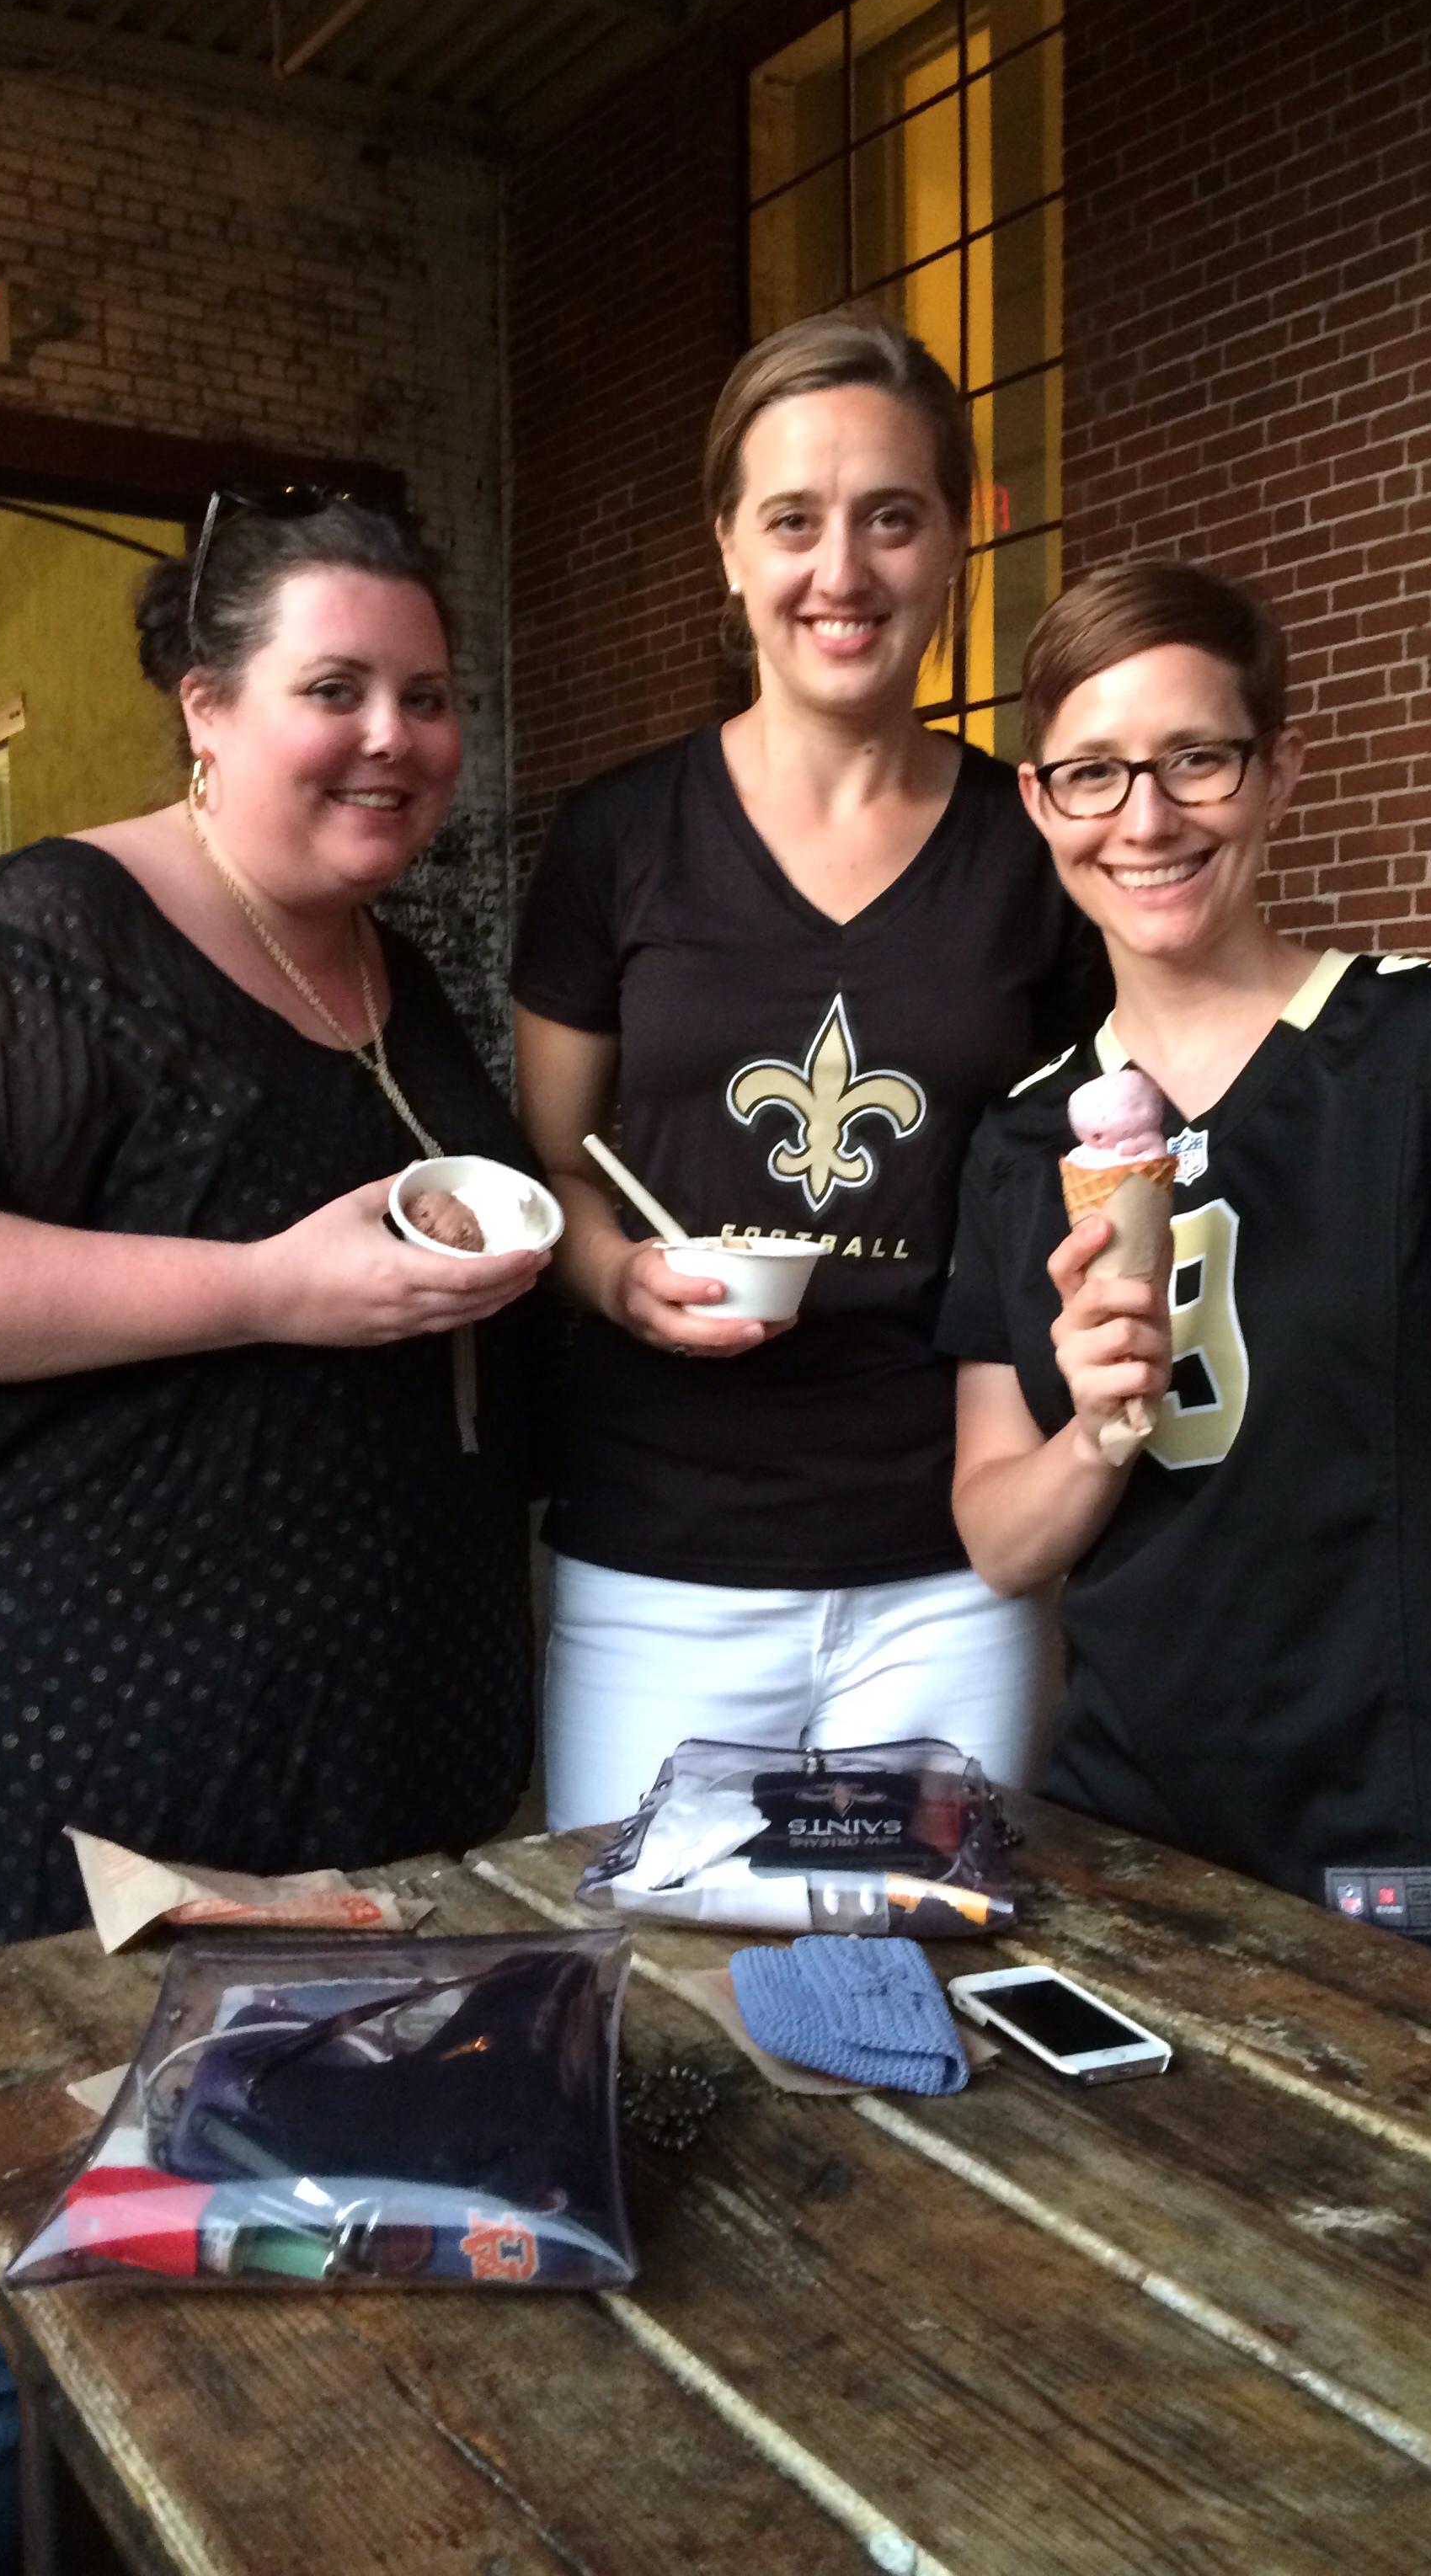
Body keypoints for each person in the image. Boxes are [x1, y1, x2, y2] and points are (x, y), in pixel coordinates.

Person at [0, 490, 552, 2575]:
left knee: (228, 2323)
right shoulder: (54, 932)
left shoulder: (392, 973)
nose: (392, 736)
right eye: (332, 689)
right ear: (205, 708)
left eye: (427, 696)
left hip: (323, 1777)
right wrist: (265, 1288)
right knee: (9, 2317)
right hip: (45, 1780)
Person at [941, 560, 1431, 2033]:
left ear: (1279, 771)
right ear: (1040, 803)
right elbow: (997, 1539)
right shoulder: (1024, 1138)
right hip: (1131, 1831)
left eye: (1197, 759)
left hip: (1429, 1841)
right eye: (1095, 773)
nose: (1146, 819)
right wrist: (1095, 1427)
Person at [514, 313, 1110, 1827]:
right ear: (728, 546)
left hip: (953, 1566)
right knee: (653, 1961)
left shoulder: (1037, 851)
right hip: (661, 1554)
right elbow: (556, 1164)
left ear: (957, 544)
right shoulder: (615, 839)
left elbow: (1090, 1165)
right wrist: (615, 1277)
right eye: (793, 520)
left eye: (891, 518)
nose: (841, 571)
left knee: (933, 1960)